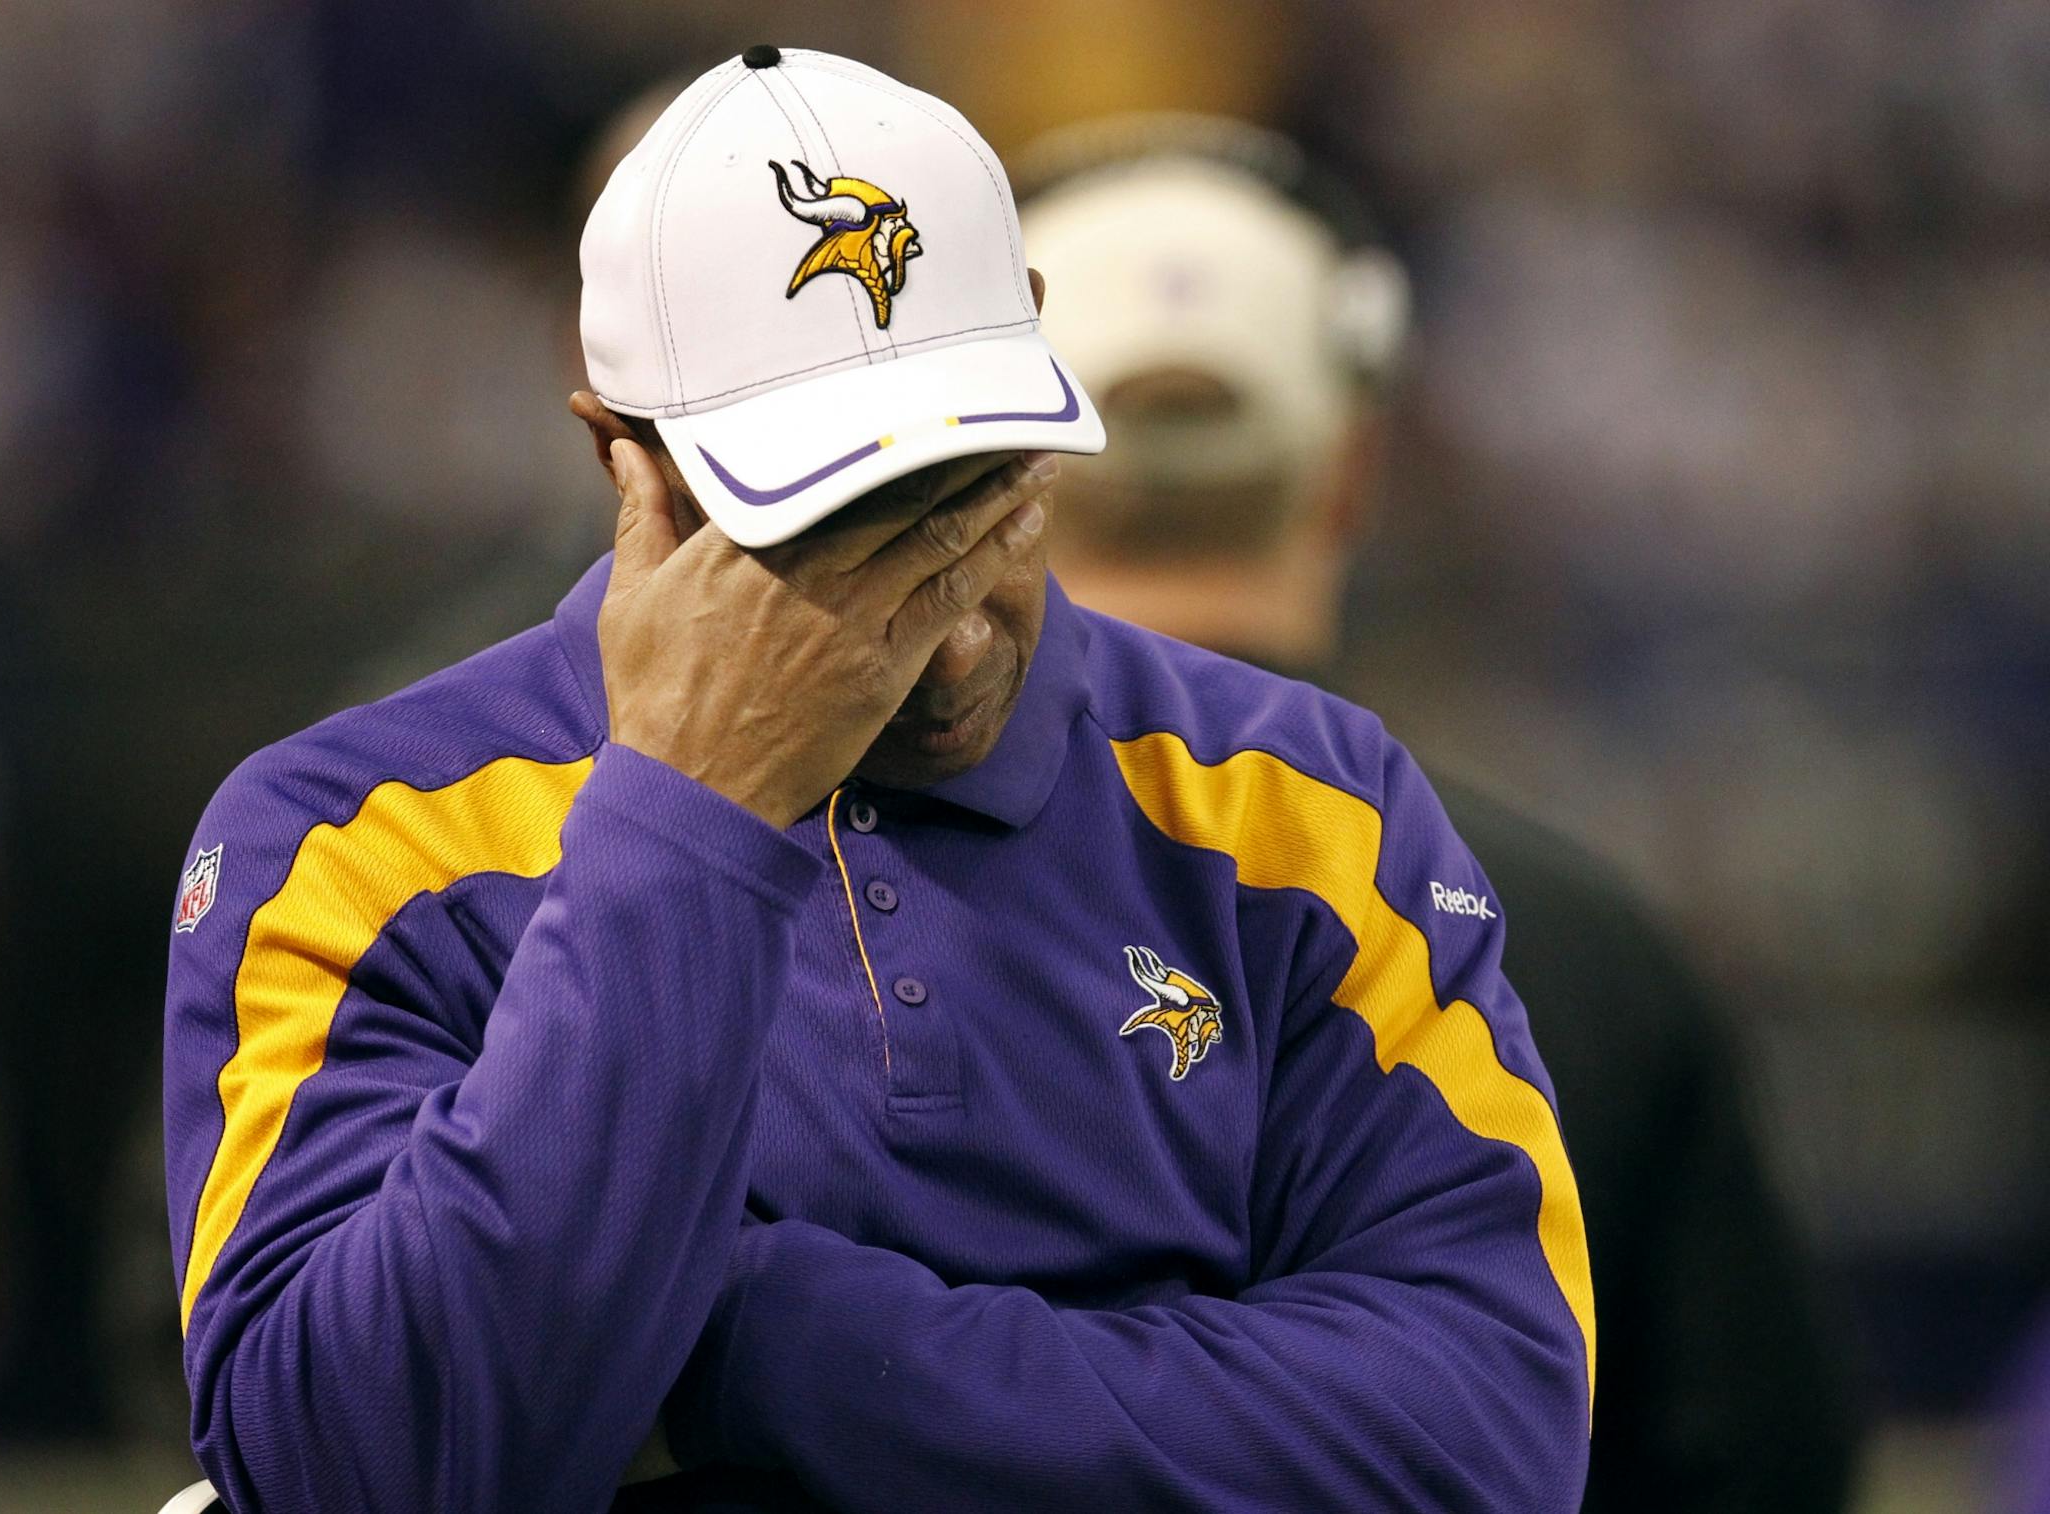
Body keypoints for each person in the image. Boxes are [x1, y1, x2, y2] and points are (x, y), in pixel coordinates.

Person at [163, 50, 1591, 1513]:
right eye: (836, 520)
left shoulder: (1304, 806)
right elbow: (350, 1466)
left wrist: (741, 1338)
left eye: (974, 486)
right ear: (629, 464)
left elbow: (1489, 1437)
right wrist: (686, 816)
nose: (950, 628)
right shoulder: (359, 837)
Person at [1021, 113, 1858, 1514]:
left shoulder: (805, 892)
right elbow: (1755, 1464)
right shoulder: (1583, 943)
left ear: (1001, 473)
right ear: (1355, 470)